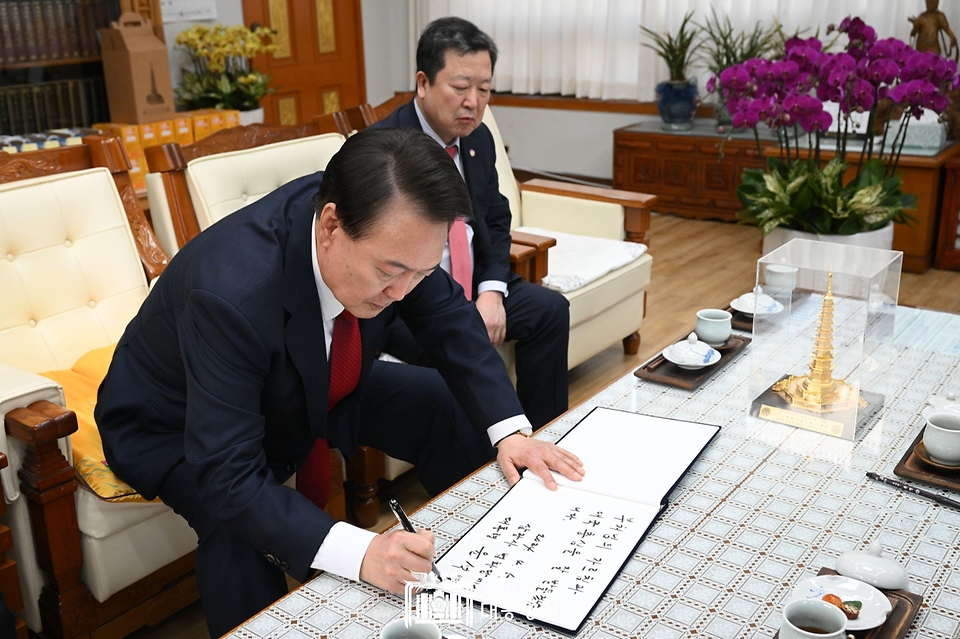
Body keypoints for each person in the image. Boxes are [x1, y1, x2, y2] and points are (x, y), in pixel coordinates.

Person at [94, 128, 584, 637]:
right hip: (173, 419)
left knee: (444, 403)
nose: (401, 294)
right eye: (389, 273)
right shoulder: (230, 292)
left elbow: (446, 317)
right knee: (235, 523)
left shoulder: (386, 228)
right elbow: (228, 475)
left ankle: (493, 565)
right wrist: (363, 551)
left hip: (304, 378)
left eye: (418, 273)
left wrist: (512, 433)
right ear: (329, 227)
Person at [372, 17, 570, 429]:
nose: (474, 103)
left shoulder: (477, 138)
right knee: (459, 344)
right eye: (461, 88)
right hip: (414, 303)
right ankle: (491, 450)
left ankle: (546, 430)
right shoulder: (382, 148)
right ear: (423, 83)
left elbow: (495, 218)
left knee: (549, 310)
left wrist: (491, 291)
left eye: (484, 89)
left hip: (472, 285)